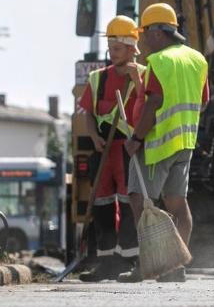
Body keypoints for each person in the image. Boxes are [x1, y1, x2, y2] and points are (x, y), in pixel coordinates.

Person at [117, 3, 209, 283]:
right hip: (184, 143)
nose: (143, 39)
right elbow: (203, 102)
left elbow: (154, 102)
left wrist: (136, 138)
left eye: (145, 32)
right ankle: (175, 268)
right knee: (178, 206)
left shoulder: (158, 61)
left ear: (159, 32)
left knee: (139, 201)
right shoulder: (197, 60)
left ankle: (150, 266)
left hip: (155, 145)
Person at [77, 16, 143, 282]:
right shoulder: (97, 79)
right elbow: (88, 114)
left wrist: (136, 80)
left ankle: (130, 260)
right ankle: (105, 262)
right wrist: (93, 137)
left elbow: (148, 104)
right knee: (103, 205)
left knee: (129, 206)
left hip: (128, 151)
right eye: (111, 48)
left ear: (130, 48)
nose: (111, 53)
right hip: (102, 150)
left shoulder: (143, 74)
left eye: (117, 48)